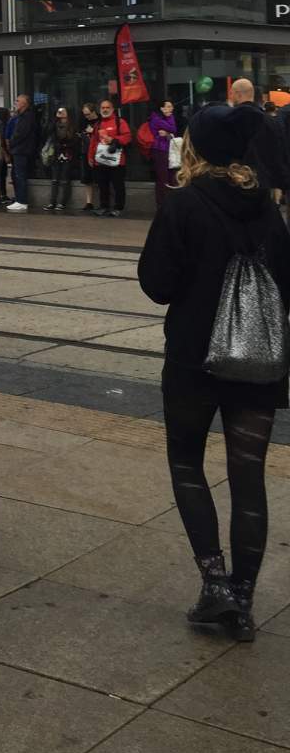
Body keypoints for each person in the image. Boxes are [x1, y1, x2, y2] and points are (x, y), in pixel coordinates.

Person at [138, 104, 290, 642]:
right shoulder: (269, 211)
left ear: (197, 148)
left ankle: (215, 586)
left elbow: (156, 283)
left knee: (187, 465)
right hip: (259, 366)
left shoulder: (184, 206)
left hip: (192, 362)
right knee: (249, 478)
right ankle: (244, 598)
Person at [88, 97, 132, 217]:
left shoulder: (120, 122)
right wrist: (90, 157)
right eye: (103, 108)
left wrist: (113, 139)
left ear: (112, 109)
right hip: (101, 161)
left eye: (107, 107)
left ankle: (118, 208)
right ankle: (104, 206)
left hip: (117, 161)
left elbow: (127, 137)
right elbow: (93, 141)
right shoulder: (98, 124)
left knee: (118, 185)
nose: (105, 109)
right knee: (103, 185)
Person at [6, 94, 38, 213]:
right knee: (17, 175)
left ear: (24, 103)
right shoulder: (22, 116)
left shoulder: (27, 117)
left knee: (20, 175)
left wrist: (12, 143)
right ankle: (19, 199)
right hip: (20, 149)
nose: (16, 102)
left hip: (22, 150)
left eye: (18, 101)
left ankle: (22, 201)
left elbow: (20, 134)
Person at [44, 106, 79, 212]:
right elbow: (47, 131)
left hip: (68, 153)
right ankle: (52, 202)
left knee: (65, 179)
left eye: (63, 111)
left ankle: (62, 202)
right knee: (54, 180)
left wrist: (66, 145)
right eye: (59, 111)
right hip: (56, 153)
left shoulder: (72, 125)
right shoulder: (55, 125)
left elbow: (75, 139)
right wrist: (55, 119)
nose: (61, 113)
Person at [149, 98, 179, 209]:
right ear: (161, 108)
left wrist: (167, 132)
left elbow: (173, 129)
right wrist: (169, 131)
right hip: (159, 149)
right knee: (162, 177)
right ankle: (162, 204)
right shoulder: (156, 118)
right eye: (168, 106)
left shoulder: (168, 118)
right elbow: (172, 128)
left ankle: (170, 202)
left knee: (172, 176)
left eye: (171, 106)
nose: (171, 108)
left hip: (169, 149)